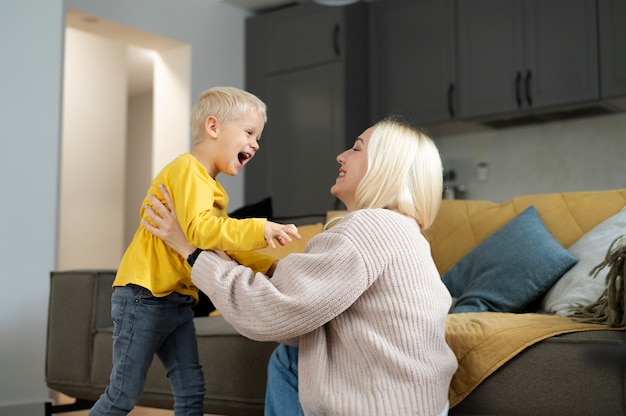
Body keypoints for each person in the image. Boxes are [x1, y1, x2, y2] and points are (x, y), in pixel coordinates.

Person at [143, 118, 458, 416]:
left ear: (386, 168)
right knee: (294, 354)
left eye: (357, 148)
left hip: (382, 407)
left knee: (288, 358)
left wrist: (192, 251)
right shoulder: (402, 231)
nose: (341, 156)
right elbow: (308, 306)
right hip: (419, 404)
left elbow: (273, 312)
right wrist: (230, 252)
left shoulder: (368, 227)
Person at [89, 86, 301, 416]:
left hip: (176, 301)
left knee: (191, 390)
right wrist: (260, 227)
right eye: (249, 132)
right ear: (213, 127)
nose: (256, 143)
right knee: (123, 394)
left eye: (257, 136)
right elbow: (202, 232)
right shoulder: (188, 170)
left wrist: (272, 267)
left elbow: (223, 242)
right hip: (143, 297)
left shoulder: (208, 186)